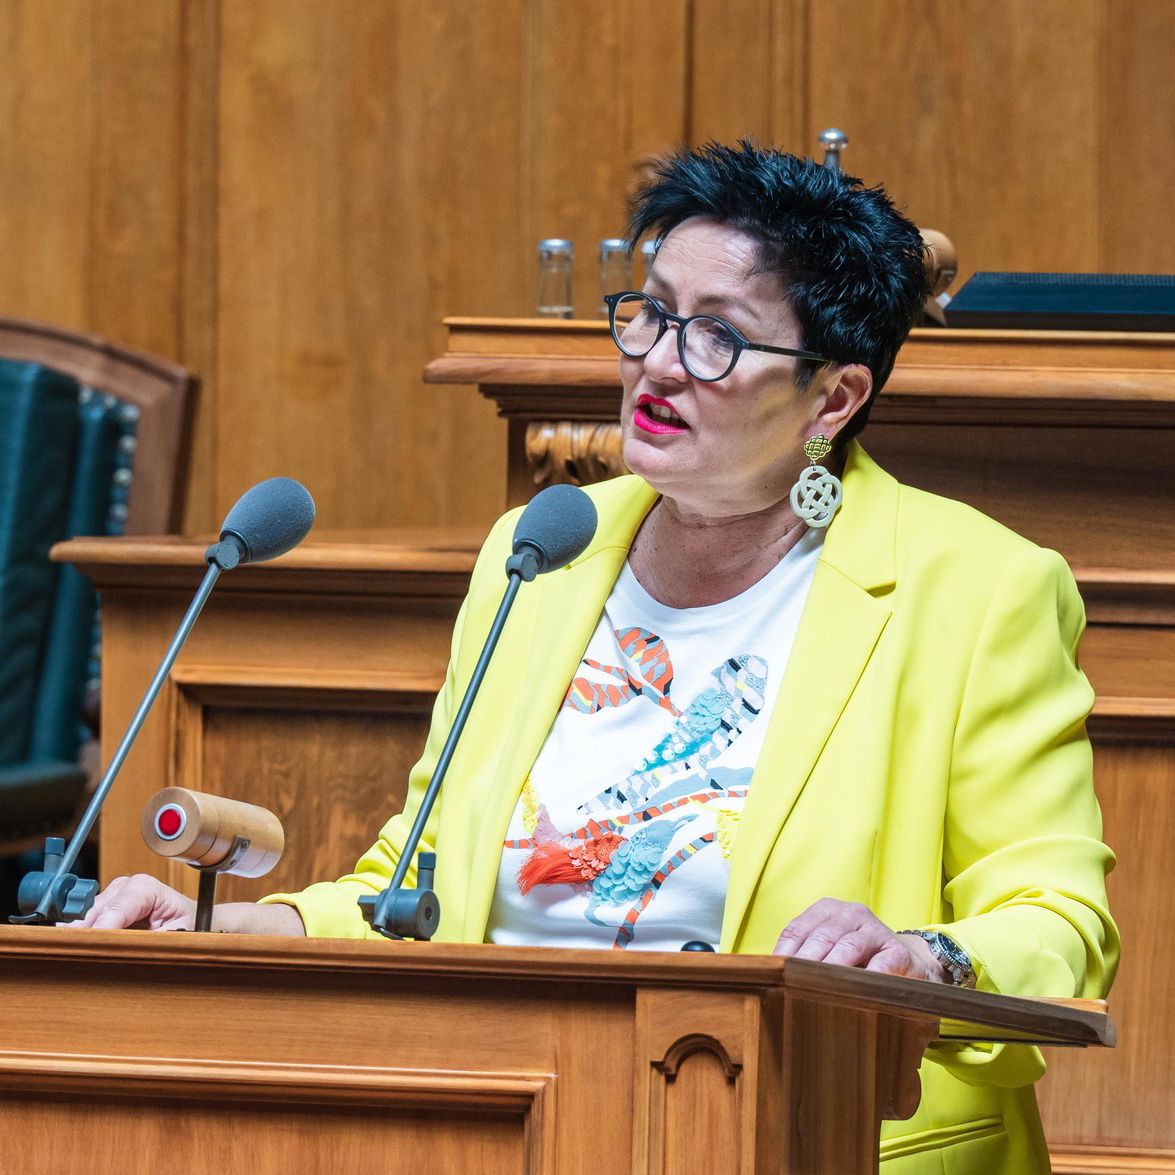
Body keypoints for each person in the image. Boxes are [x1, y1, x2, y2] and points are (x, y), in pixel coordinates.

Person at [79, 142, 1117, 1173]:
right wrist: (243, 928)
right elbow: (413, 891)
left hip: (811, 1139)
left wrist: (919, 956)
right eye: (653, 312)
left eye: (717, 336)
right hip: (517, 1125)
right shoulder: (541, 552)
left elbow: (1058, 921)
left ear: (832, 398)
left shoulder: (976, 589)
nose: (659, 361)